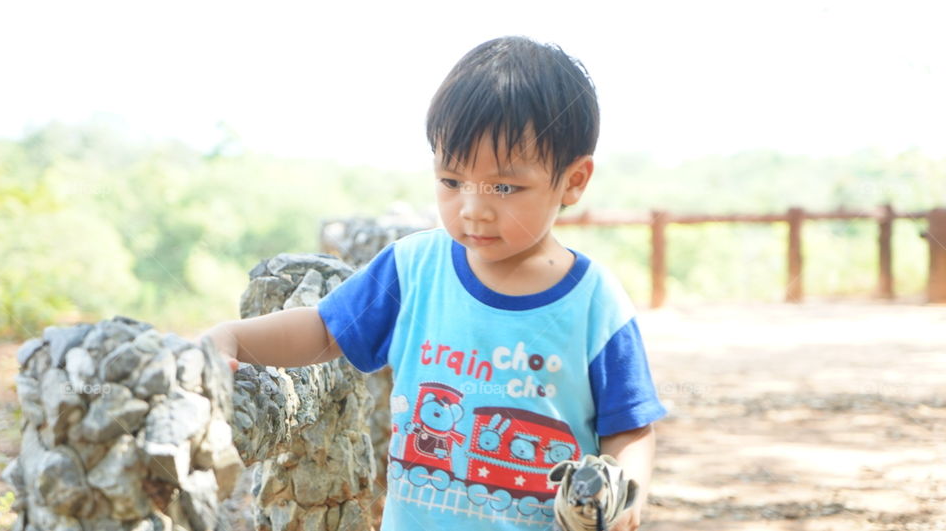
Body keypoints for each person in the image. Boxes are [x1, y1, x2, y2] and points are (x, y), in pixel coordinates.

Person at [203, 36, 667, 531]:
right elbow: (324, 331)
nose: (472, 207)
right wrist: (234, 337)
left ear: (573, 181)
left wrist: (624, 493)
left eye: (504, 187)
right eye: (451, 181)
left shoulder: (596, 303)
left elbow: (630, 428)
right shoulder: (413, 268)